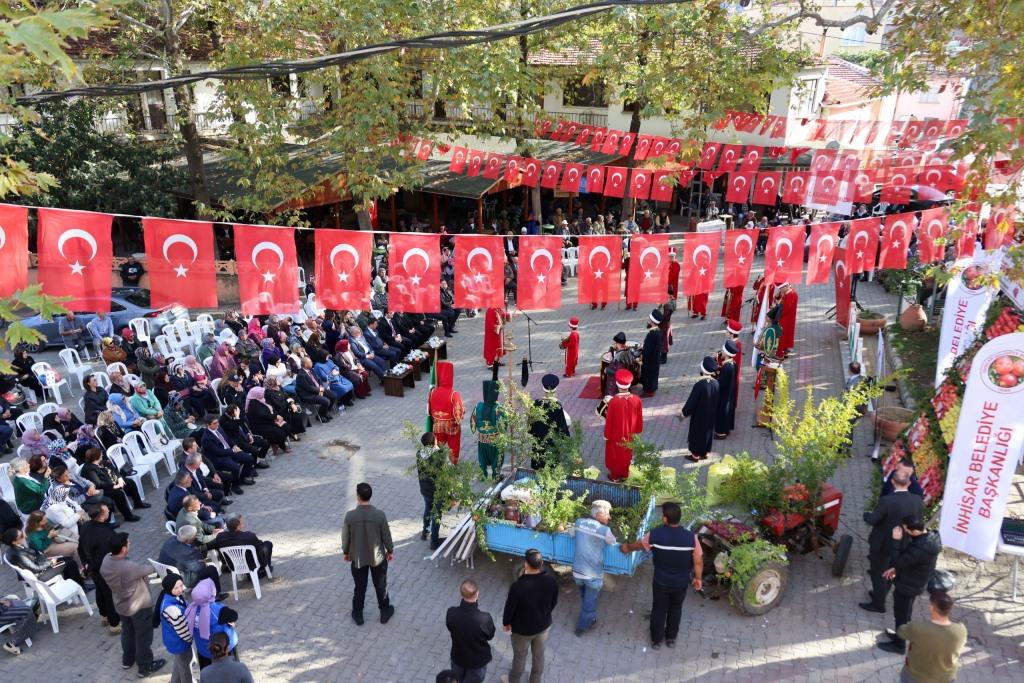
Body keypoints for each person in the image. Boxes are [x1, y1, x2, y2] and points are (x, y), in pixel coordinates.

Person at [620, 501, 702, 649]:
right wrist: (698, 579)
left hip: (661, 581)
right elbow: (698, 561)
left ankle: (656, 640)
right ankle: (671, 638)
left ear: (665, 518)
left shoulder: (655, 535)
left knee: (659, 609)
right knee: (676, 608)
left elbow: (639, 545)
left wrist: (627, 547)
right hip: (681, 583)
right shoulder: (691, 538)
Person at [100, 532, 167, 677]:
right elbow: (150, 569)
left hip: (121, 604)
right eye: (128, 542)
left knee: (127, 632)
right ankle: (145, 666)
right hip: (139, 606)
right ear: (123, 549)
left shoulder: (106, 559)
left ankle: (127, 660)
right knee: (143, 637)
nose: (130, 544)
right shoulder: (128, 566)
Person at [877, 517, 943, 655]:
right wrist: (897, 568)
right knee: (906, 612)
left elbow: (898, 560)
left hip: (908, 585)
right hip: (917, 582)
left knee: (901, 614)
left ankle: (899, 646)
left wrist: (896, 540)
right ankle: (902, 635)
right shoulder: (932, 537)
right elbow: (911, 561)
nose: (904, 531)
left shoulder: (921, 548)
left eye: (906, 529)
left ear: (915, 531)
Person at [860, 472, 924, 615]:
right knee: (891, 571)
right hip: (903, 543)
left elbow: (873, 519)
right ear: (909, 484)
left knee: (878, 573)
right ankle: (880, 594)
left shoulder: (887, 501)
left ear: (893, 483)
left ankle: (878, 604)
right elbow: (918, 522)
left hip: (883, 544)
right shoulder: (918, 500)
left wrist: (866, 514)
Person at [501, 548, 558, 683]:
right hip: (543, 627)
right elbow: (553, 603)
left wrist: (506, 623)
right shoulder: (551, 582)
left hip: (522, 631)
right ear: (542, 563)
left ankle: (513, 680)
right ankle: (535, 680)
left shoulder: (517, 587)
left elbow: (509, 609)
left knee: (520, 657)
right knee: (539, 655)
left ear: (526, 564)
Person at [342, 482, 395, 626]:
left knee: (360, 587)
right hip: (378, 558)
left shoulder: (350, 516)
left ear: (358, 497)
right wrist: (390, 550)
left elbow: (345, 537)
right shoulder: (379, 515)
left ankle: (358, 614)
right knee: (380, 585)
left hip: (358, 558)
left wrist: (346, 552)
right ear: (370, 496)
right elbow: (386, 536)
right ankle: (384, 611)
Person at [567, 500, 617, 637]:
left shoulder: (578, 522)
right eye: (607, 514)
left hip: (577, 573)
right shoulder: (604, 530)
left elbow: (570, 533)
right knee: (589, 603)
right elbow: (613, 542)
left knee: (586, 597)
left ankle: (590, 618)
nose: (609, 517)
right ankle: (581, 628)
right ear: (600, 514)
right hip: (593, 575)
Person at [895, 590, 967, 681]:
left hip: (916, 677)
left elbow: (900, 631)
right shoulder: (961, 630)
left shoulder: (918, 628)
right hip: (946, 678)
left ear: (931, 607)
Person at [78, 503, 121, 633]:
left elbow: (80, 547)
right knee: (109, 595)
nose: (109, 511)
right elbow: (106, 557)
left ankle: (104, 615)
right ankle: (114, 624)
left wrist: (85, 564)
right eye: (107, 510)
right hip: (103, 569)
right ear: (102, 515)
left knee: (100, 591)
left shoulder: (85, 527)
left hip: (92, 568)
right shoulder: (104, 534)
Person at [79, 446, 149, 521]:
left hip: (114, 482)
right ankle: (128, 516)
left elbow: (113, 469)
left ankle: (138, 503)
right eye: (101, 454)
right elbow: (99, 484)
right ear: (96, 457)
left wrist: (120, 478)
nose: (102, 455)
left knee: (130, 482)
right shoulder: (89, 469)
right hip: (103, 489)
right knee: (118, 494)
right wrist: (114, 486)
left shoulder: (101, 462)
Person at [446, 579, 496, 683]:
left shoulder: (451, 613)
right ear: (477, 594)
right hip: (477, 662)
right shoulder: (484, 619)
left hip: (458, 657)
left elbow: (450, 627)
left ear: (461, 594)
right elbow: (490, 635)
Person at [2, 526, 88, 586]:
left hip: (40, 566)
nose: (24, 535)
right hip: (40, 575)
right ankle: (81, 586)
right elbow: (36, 568)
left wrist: (48, 559)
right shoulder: (19, 554)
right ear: (14, 542)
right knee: (70, 563)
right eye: (21, 536)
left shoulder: (16, 547)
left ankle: (74, 583)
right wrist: (50, 562)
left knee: (67, 559)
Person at [186, 578, 239, 669]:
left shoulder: (191, 609)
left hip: (204, 651)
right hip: (224, 650)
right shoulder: (218, 610)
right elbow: (234, 616)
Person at [153, 572, 194, 683]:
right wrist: (191, 639)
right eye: (176, 588)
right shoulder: (172, 610)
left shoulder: (172, 596)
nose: (180, 590)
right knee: (186, 669)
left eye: (181, 585)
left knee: (179, 664)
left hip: (174, 641)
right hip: (180, 643)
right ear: (169, 588)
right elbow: (184, 631)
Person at [603, 369, 643, 481]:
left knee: (614, 454)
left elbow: (609, 420)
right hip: (630, 433)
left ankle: (615, 476)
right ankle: (625, 474)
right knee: (627, 453)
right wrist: (638, 431)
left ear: (617, 384)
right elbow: (639, 418)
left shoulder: (614, 401)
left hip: (615, 434)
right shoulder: (637, 399)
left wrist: (606, 435)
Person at [160, 524, 224, 594]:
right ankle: (216, 594)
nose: (195, 537)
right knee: (211, 569)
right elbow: (199, 569)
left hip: (166, 573)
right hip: (182, 578)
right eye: (194, 536)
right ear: (188, 540)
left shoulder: (171, 539)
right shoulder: (188, 552)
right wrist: (202, 562)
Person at [200, 415, 255, 493]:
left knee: (249, 459)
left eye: (217, 422)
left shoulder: (218, 428)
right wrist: (232, 450)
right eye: (215, 423)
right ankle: (235, 485)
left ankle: (242, 478)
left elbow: (228, 439)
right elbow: (218, 452)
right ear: (208, 425)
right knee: (235, 467)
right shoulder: (206, 438)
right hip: (219, 458)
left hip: (229, 451)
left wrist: (234, 445)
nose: (218, 424)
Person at [681, 356, 720, 462]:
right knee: (708, 432)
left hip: (699, 415)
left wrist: (684, 413)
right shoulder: (716, 383)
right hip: (711, 413)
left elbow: (692, 402)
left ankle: (695, 455)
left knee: (697, 433)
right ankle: (705, 452)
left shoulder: (699, 385)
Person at [528, 374, 570, 470]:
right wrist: (567, 439)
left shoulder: (536, 402)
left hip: (538, 439)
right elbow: (562, 426)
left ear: (543, 388)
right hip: (552, 440)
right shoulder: (557, 405)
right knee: (551, 464)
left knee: (538, 461)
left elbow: (530, 423)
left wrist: (531, 432)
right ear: (555, 388)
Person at [209, 514, 274, 576]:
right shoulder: (249, 536)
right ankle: (265, 568)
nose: (243, 523)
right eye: (242, 522)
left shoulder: (220, 537)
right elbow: (260, 548)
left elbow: (212, 546)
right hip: (250, 564)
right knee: (268, 544)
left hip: (234, 565)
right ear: (238, 526)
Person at [428, 361, 465, 465]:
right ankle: (453, 464)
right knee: (453, 446)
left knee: (439, 445)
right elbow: (459, 412)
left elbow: (430, 409)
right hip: (451, 425)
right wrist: (458, 419)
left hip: (438, 424)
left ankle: (438, 464)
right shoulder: (454, 394)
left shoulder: (433, 392)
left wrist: (435, 419)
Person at [416, 433, 446, 549]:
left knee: (427, 508)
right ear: (433, 443)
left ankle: (425, 532)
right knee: (436, 514)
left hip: (425, 489)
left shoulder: (419, 454)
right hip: (437, 490)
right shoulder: (439, 456)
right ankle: (434, 541)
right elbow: (444, 470)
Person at [470, 380, 504, 479]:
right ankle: (495, 476)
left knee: (482, 458)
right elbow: (503, 424)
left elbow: (473, 420)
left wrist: (476, 430)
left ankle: (482, 475)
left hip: (482, 439)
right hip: (495, 440)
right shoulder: (498, 408)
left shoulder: (478, 406)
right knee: (496, 459)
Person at [244, 387, 291, 455]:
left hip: (268, 421)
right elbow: (263, 415)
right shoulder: (253, 404)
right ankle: (280, 445)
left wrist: (276, 416)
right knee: (279, 433)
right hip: (260, 425)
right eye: (261, 393)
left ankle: (275, 443)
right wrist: (275, 417)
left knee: (286, 427)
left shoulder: (261, 399)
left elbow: (271, 409)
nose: (263, 394)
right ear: (257, 394)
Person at [714, 340, 739, 439]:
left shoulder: (727, 367)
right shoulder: (733, 364)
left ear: (727, 354)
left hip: (724, 395)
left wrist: (716, 378)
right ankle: (727, 429)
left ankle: (721, 432)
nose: (722, 353)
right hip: (730, 393)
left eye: (723, 351)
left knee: (721, 413)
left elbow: (722, 383)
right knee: (728, 412)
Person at [640, 309, 663, 396]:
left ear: (652, 322)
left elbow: (647, 350)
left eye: (649, 320)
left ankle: (649, 391)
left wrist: (642, 357)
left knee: (649, 374)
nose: (648, 321)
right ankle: (651, 388)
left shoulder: (652, 334)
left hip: (650, 360)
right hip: (655, 358)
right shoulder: (657, 331)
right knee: (653, 374)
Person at [774, 281, 799, 357]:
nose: (780, 291)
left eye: (781, 289)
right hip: (788, 318)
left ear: (785, 287)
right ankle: (785, 349)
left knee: (782, 336)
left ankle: (779, 353)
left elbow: (785, 309)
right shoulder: (788, 294)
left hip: (786, 319)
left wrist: (778, 307)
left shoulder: (791, 295)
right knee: (786, 335)